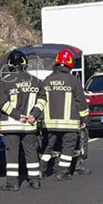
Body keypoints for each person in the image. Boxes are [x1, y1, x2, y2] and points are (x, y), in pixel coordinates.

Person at [29, 49, 88, 181]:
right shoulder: (73, 80)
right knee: (68, 148)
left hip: (49, 124)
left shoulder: (47, 80)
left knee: (47, 147)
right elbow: (81, 103)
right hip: (69, 124)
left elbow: (41, 100)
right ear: (70, 64)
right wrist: (84, 119)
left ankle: (41, 170)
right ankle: (62, 172)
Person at [0, 50, 43, 190]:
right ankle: (35, 180)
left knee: (12, 153)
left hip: (12, 124)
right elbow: (42, 101)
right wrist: (34, 115)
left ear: (10, 64)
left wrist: (17, 116)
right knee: (31, 152)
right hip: (30, 124)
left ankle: (12, 183)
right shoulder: (35, 81)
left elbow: (2, 103)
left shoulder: (6, 82)